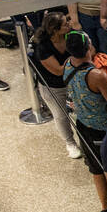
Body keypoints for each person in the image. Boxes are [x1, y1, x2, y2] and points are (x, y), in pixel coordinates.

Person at [64, 31, 107, 212]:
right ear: (88, 48)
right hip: (104, 130)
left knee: (96, 169)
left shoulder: (67, 66)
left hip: (83, 125)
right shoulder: (96, 75)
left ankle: (105, 206)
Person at [30, 13, 81, 158]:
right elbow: (58, 71)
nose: (69, 24)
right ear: (55, 30)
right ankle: (70, 142)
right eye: (65, 23)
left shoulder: (71, 35)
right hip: (53, 87)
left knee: (80, 110)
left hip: (73, 81)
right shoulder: (43, 46)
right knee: (61, 115)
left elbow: (89, 49)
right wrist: (76, 57)